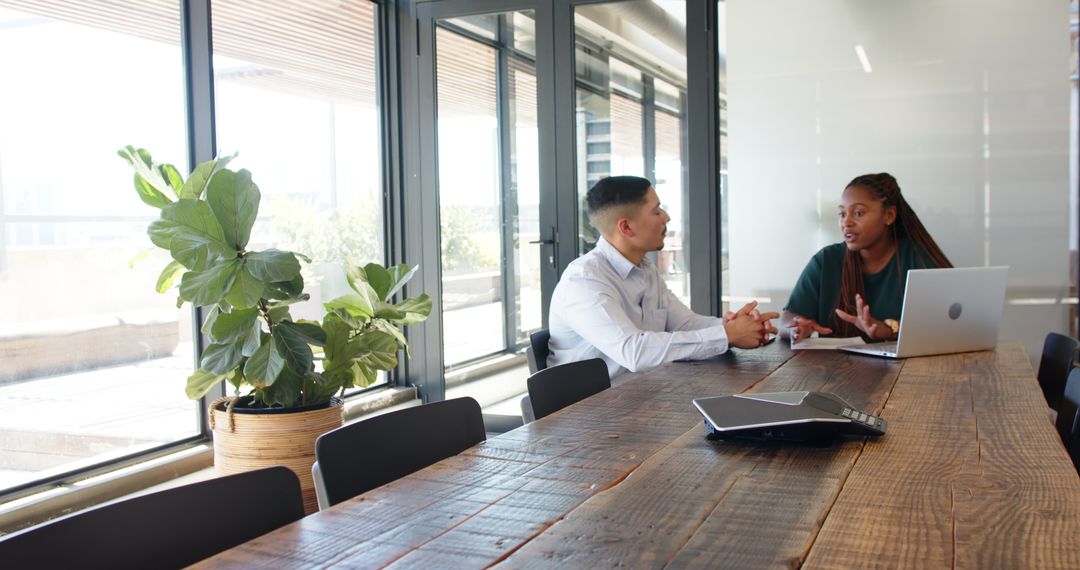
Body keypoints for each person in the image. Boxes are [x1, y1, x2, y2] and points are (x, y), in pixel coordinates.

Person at [548, 176, 777, 378]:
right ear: (626, 227)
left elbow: (685, 324)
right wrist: (728, 335)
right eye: (656, 211)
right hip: (590, 409)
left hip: (644, 394)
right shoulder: (584, 281)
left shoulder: (645, 269)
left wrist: (734, 326)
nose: (666, 217)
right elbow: (635, 352)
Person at [783, 172, 952, 342]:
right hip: (836, 360)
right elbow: (787, 318)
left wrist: (890, 330)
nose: (846, 222)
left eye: (858, 213)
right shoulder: (826, 260)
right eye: (842, 214)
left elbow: (948, 325)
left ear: (889, 215)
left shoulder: (919, 260)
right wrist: (796, 328)